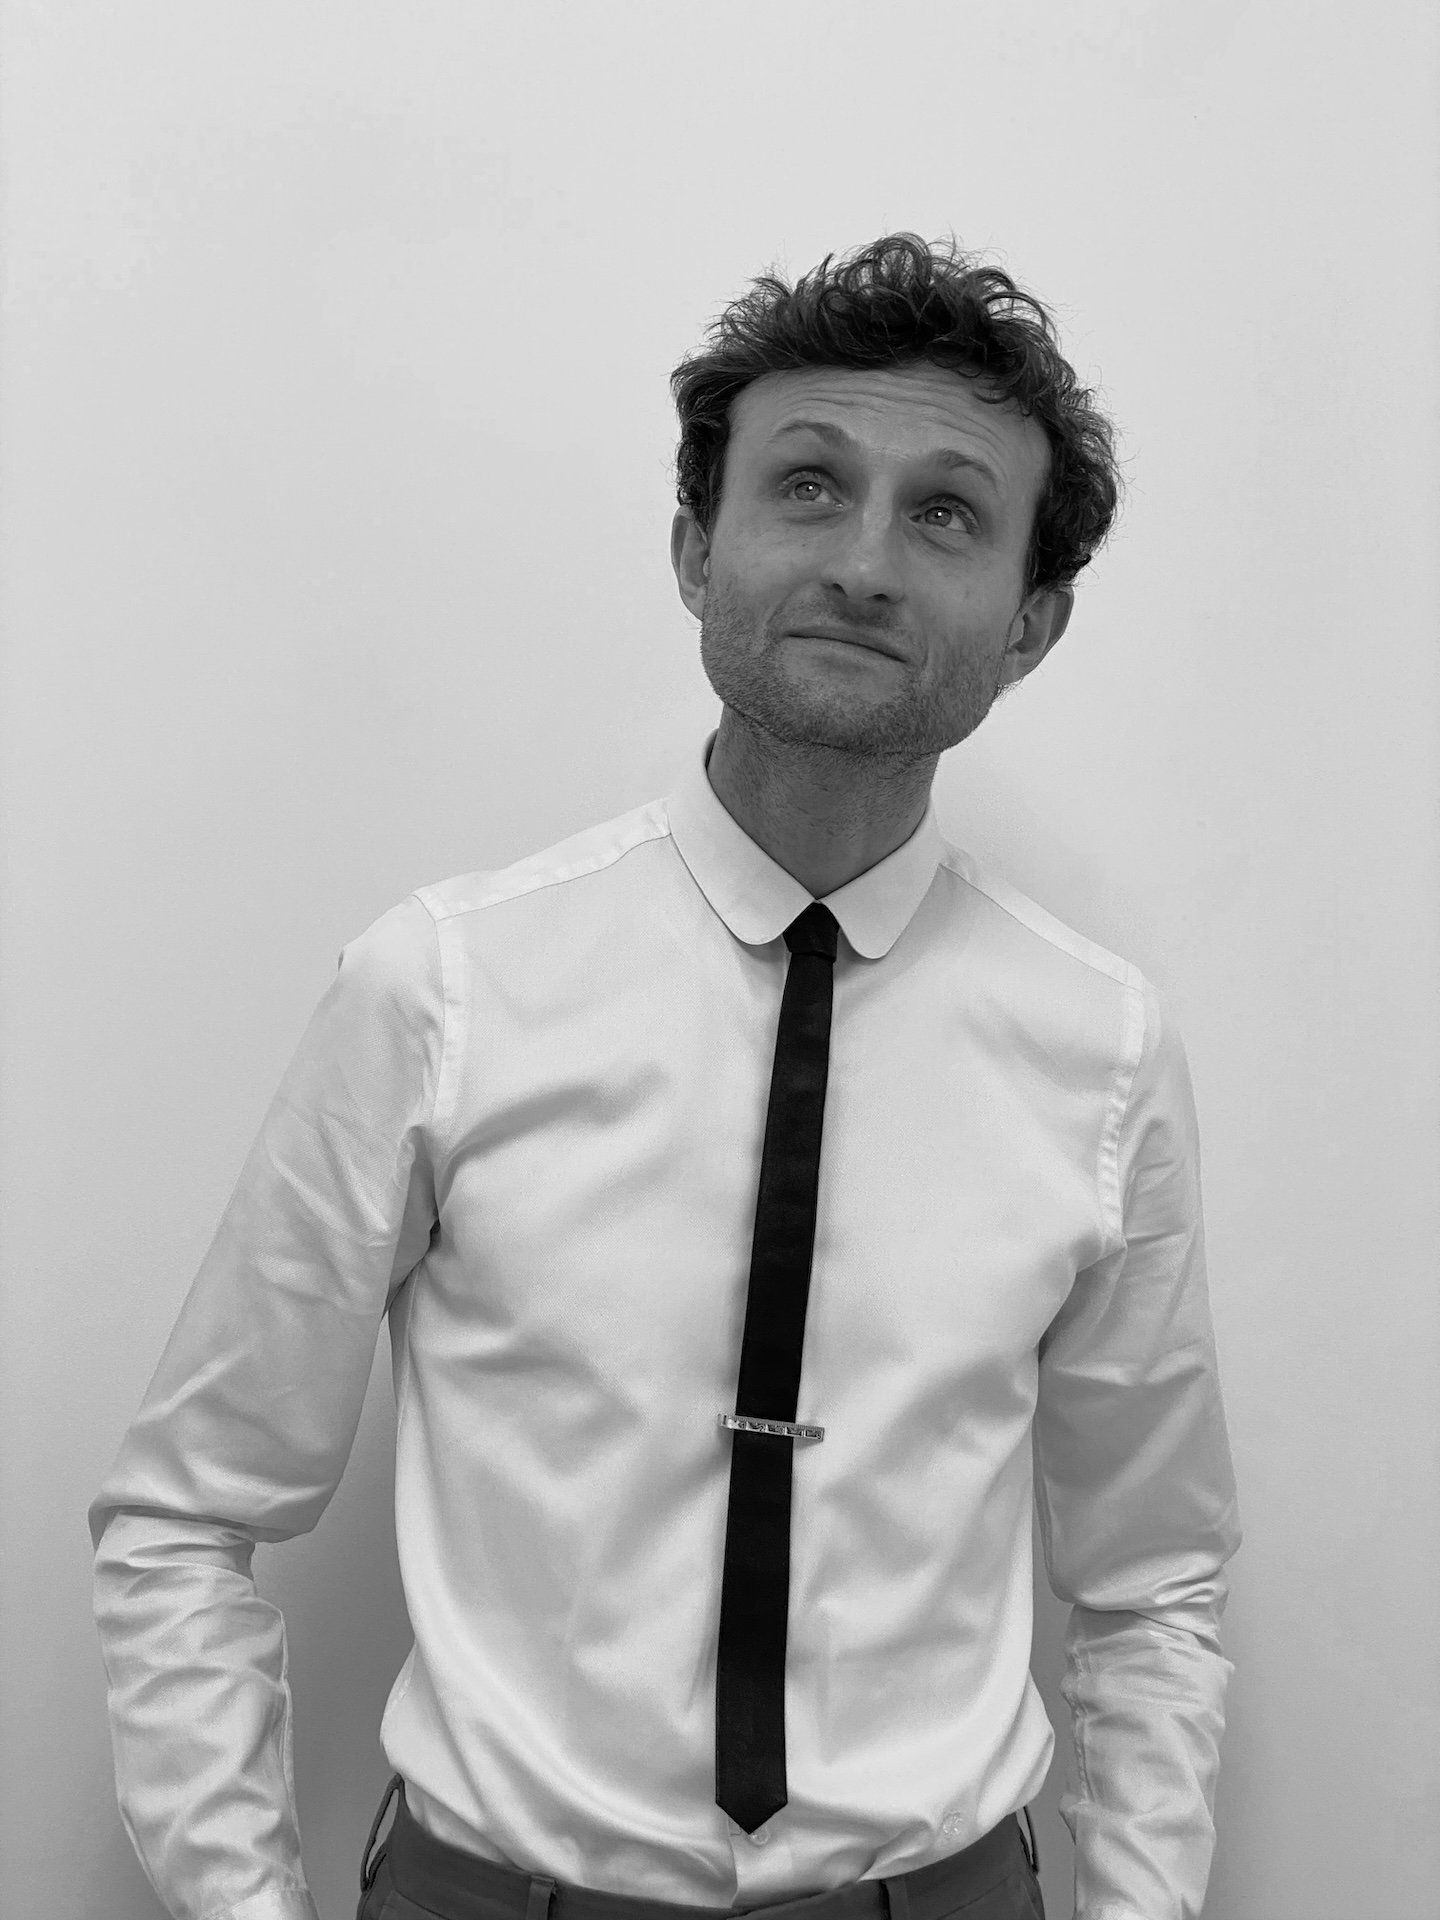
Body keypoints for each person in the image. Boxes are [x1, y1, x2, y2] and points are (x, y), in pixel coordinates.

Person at [91, 232, 1241, 1920]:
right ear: (698, 548)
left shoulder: (1104, 1050)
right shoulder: (443, 988)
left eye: (945, 513)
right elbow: (186, 1517)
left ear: (1032, 623)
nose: (864, 563)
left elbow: (1155, 1585)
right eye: (807, 485)